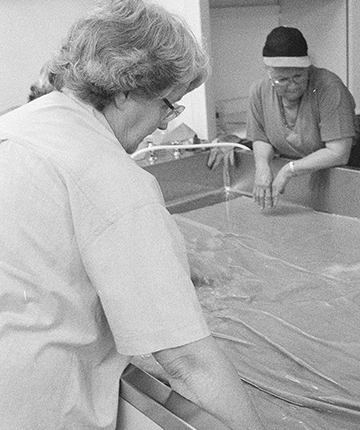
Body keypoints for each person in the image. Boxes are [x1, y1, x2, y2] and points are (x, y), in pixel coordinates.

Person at [0, 1, 264, 429]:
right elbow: (188, 362)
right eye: (168, 104)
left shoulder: (16, 128)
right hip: (42, 407)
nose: (165, 125)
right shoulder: (111, 176)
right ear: (124, 88)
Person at [208, 26, 358, 209]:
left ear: (308, 68)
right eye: (283, 80)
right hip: (302, 170)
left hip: (343, 174)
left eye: (298, 76)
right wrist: (262, 167)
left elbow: (338, 152)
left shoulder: (329, 88)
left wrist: (288, 170)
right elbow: (261, 138)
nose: (293, 85)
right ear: (269, 74)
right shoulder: (260, 91)